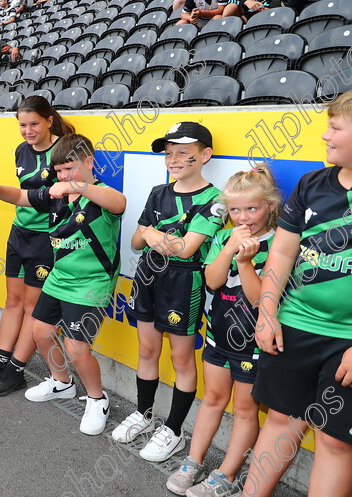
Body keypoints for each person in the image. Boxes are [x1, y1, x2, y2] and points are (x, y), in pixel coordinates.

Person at [0, 133, 125, 435]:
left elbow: (119, 202)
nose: (62, 176)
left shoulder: (101, 195)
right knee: (41, 332)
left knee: (77, 348)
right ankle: (62, 382)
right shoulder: (55, 195)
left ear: (88, 162)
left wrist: (75, 185)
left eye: (69, 168)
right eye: (58, 171)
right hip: (59, 277)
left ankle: (97, 399)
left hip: (91, 284)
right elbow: (21, 197)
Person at [243, 91, 352, 497]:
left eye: (335, 128)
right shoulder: (312, 184)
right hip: (295, 325)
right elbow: (284, 253)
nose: (325, 136)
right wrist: (268, 314)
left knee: (335, 440)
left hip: (347, 342)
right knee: (283, 420)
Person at [112, 121, 224, 463]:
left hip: (183, 283)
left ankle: (173, 430)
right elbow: (134, 239)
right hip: (147, 276)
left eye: (183, 153)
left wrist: (152, 235)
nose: (174, 159)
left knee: (180, 358)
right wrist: (152, 237)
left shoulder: (215, 199)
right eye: (169, 153)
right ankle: (144, 414)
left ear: (204, 155)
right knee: (147, 349)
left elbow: (187, 249)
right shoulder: (159, 192)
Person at [167, 165, 281, 497]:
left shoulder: (280, 242)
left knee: (245, 409)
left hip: (254, 340)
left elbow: (262, 298)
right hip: (220, 331)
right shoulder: (221, 236)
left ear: (270, 207)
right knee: (213, 398)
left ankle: (227, 474)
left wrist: (245, 263)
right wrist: (230, 249)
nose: (243, 217)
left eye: (252, 208)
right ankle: (192, 461)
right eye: (235, 210)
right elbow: (214, 281)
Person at [0, 96, 75, 397]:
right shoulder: (21, 150)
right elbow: (21, 194)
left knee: (32, 307)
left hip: (46, 238)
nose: (28, 131)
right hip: (19, 233)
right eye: (22, 125)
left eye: (33, 124)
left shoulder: (64, 150)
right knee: (12, 300)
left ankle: (17, 369)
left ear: (49, 120)